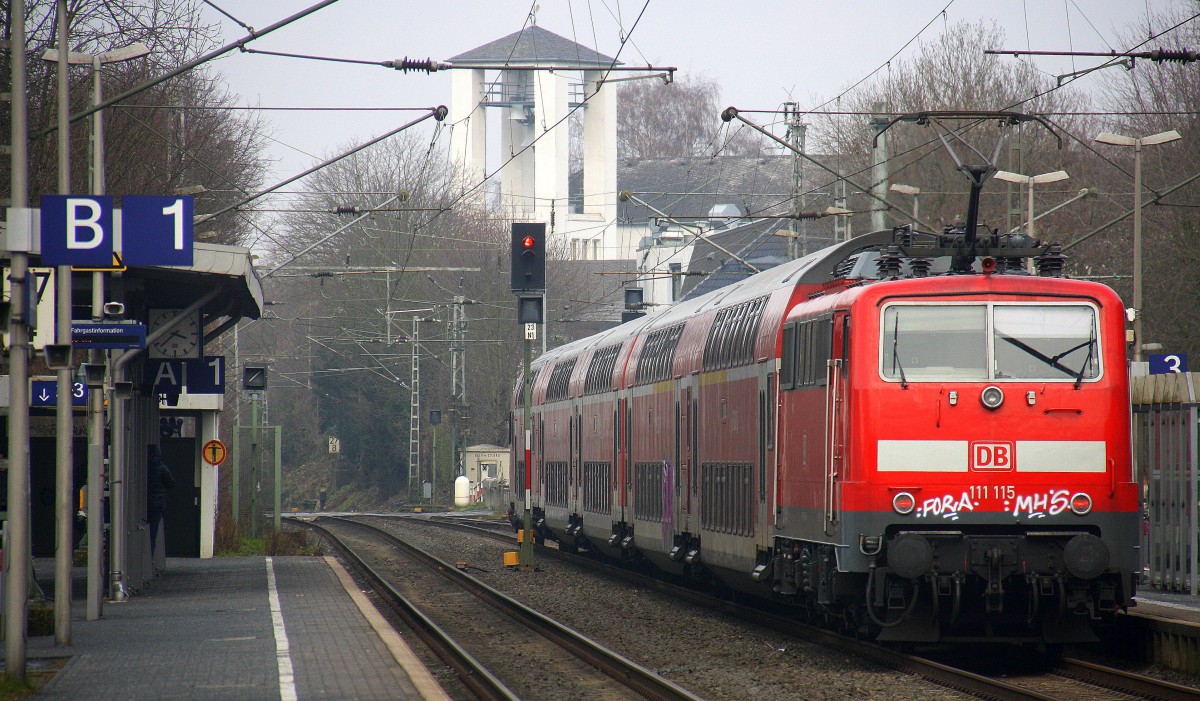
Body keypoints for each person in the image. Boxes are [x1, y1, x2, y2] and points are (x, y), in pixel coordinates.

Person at [147, 445, 175, 560]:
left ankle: (142, 559)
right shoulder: (161, 467)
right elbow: (171, 483)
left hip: (143, 504)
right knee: (152, 534)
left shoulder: (142, 466)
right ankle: (150, 559)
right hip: (157, 504)